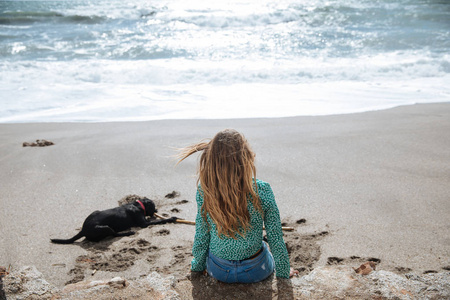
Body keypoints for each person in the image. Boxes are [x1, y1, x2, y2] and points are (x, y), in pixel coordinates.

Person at [177, 129, 298, 283]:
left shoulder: (205, 190)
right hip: (256, 270)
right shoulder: (262, 190)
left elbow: (202, 236)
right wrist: (283, 272)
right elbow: (275, 238)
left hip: (219, 270)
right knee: (266, 247)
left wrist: (197, 268)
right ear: (245, 158)